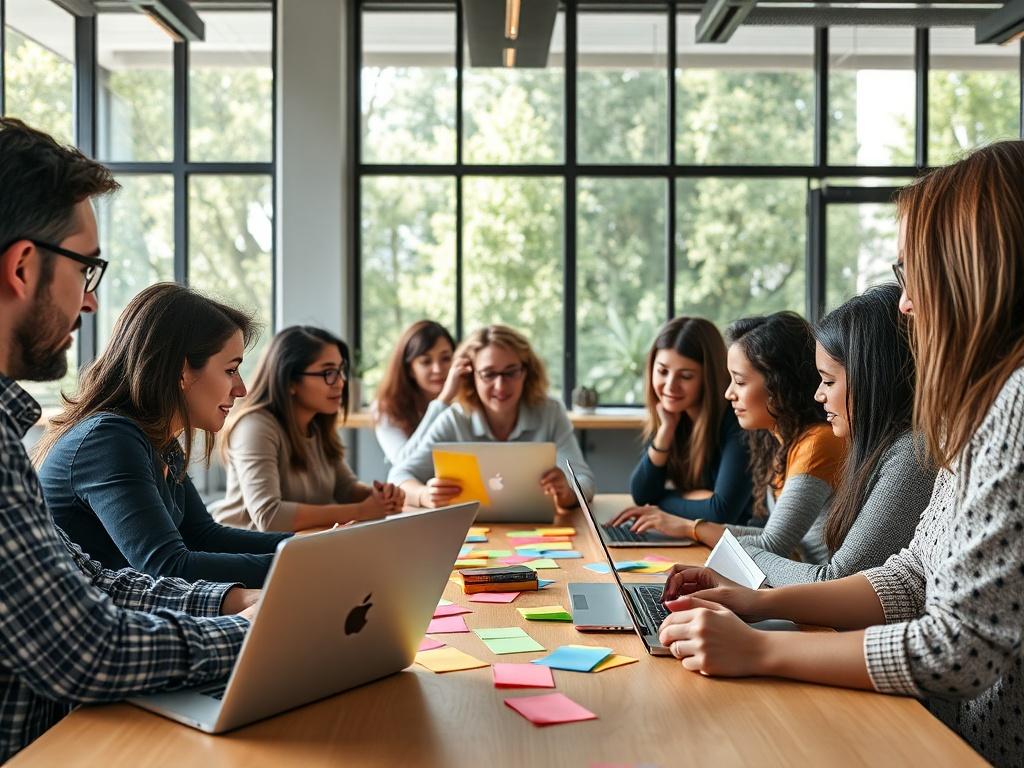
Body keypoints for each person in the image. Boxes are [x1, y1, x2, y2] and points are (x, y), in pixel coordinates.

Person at [657, 141, 1024, 767]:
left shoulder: (1014, 403)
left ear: (974, 271)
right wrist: (756, 602)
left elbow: (958, 646)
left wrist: (759, 650)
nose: (905, 303)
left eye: (912, 277)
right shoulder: (977, 410)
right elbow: (910, 578)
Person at [0, 117, 255, 761]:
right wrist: (250, 634)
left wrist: (236, 599)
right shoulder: (105, 439)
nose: (90, 303)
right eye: (86, 270)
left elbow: (93, 580)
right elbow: (84, 649)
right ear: (24, 267)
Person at [36, 283, 290, 588]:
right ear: (182, 371)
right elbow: (167, 567)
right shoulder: (108, 440)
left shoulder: (159, 442)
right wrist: (303, 561)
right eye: (230, 370)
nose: (241, 389)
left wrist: (310, 546)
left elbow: (204, 537)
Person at [733, 284, 934, 584]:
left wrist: (744, 554)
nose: (818, 395)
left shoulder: (911, 455)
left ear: (870, 380)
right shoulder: (874, 449)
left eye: (828, 381)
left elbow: (837, 579)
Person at [615, 312, 846, 564]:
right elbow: (766, 536)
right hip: (797, 577)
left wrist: (688, 527)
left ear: (779, 384)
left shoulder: (816, 443)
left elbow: (772, 545)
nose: (729, 393)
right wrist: (685, 523)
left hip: (815, 587)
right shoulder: (781, 442)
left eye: (739, 381)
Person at [216, 325, 404, 532]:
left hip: (297, 546)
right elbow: (269, 516)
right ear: (290, 381)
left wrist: (383, 496)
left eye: (341, 371)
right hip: (244, 554)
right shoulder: (254, 426)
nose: (341, 383)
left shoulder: (317, 423)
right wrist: (361, 511)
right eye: (328, 373)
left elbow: (346, 488)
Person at [388, 324, 595, 508]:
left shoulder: (550, 412)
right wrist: (424, 495)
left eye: (510, 372)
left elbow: (584, 480)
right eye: (488, 374)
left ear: (525, 372)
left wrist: (567, 492)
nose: (500, 386)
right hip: (471, 534)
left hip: (540, 533)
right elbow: (398, 476)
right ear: (471, 376)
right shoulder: (456, 418)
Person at [611, 317, 752, 530]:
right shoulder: (675, 417)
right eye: (662, 371)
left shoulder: (738, 420)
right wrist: (665, 431)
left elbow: (721, 511)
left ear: (708, 378)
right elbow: (641, 493)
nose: (670, 386)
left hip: (742, 546)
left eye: (685, 376)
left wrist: (660, 500)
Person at [372, 320, 470, 467]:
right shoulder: (387, 407)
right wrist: (442, 402)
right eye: (426, 361)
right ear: (410, 369)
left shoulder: (467, 399)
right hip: (413, 488)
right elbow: (402, 463)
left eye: (445, 359)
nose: (437, 369)